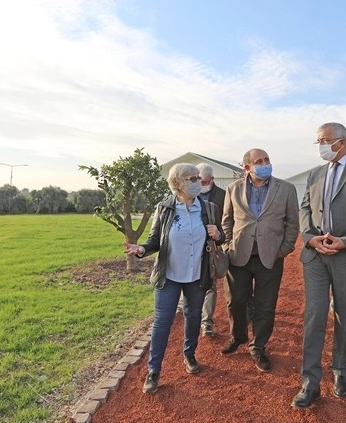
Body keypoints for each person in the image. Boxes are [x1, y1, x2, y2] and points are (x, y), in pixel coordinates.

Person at [293, 122, 346, 408]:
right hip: (316, 255)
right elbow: (305, 207)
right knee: (315, 315)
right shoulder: (315, 173)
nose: (320, 146)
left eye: (324, 140)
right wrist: (309, 238)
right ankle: (310, 381)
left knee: (345, 316)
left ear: (341, 142)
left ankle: (341, 370)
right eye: (318, 141)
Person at [123, 163, 223, 394]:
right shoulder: (165, 208)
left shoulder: (208, 208)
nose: (198, 182)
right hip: (169, 275)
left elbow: (220, 237)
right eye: (192, 178)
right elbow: (154, 240)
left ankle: (189, 355)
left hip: (197, 275)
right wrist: (141, 250)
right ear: (177, 184)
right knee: (162, 322)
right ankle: (154, 370)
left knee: (194, 316)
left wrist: (218, 234)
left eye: (198, 178)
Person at [220, 148, 299, 373]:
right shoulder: (233, 189)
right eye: (259, 161)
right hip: (238, 257)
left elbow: (293, 223)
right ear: (247, 167)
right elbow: (227, 221)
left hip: (271, 257)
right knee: (235, 301)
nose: (265, 164)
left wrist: (284, 249)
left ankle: (258, 347)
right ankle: (238, 337)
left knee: (266, 306)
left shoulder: (286, 189)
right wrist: (226, 246)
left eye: (267, 160)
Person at [195, 163, 227, 337]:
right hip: (191, 247)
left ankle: (206, 322)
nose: (201, 185)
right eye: (199, 181)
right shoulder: (189, 195)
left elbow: (227, 220)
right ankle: (194, 316)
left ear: (212, 179)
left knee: (210, 284)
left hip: (211, 245)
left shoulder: (222, 196)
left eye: (205, 181)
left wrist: (219, 236)